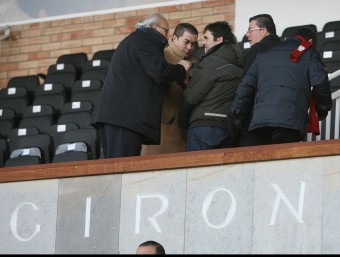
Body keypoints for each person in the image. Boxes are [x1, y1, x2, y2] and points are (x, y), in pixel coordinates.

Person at [91, 13, 191, 158]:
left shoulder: (132, 40)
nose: (167, 37)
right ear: (154, 27)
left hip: (116, 118)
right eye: (166, 31)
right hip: (125, 119)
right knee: (123, 168)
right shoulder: (145, 40)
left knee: (116, 166)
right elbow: (159, 71)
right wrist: (181, 68)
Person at [231, 27, 333, 146]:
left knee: (264, 162)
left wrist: (238, 114)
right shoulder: (310, 53)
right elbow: (320, 82)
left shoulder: (265, 53)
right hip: (289, 121)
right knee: (282, 163)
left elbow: (246, 86)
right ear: (310, 41)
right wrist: (322, 109)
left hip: (260, 122)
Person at [178, 21, 244, 151]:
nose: (204, 43)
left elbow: (191, 97)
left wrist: (183, 123)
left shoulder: (211, 61)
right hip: (228, 129)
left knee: (198, 170)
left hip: (204, 128)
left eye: (206, 38)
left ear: (219, 39)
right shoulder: (239, 62)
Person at [141, 23, 198, 155]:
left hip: (183, 125)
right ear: (174, 38)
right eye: (186, 42)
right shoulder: (161, 56)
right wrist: (169, 114)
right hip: (163, 125)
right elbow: (149, 88)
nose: (190, 47)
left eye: (193, 44)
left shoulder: (194, 63)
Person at [236, 14, 282, 147]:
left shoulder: (257, 49)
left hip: (256, 118)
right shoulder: (285, 50)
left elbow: (247, 84)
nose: (247, 35)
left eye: (250, 30)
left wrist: (239, 115)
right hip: (281, 118)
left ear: (263, 30)